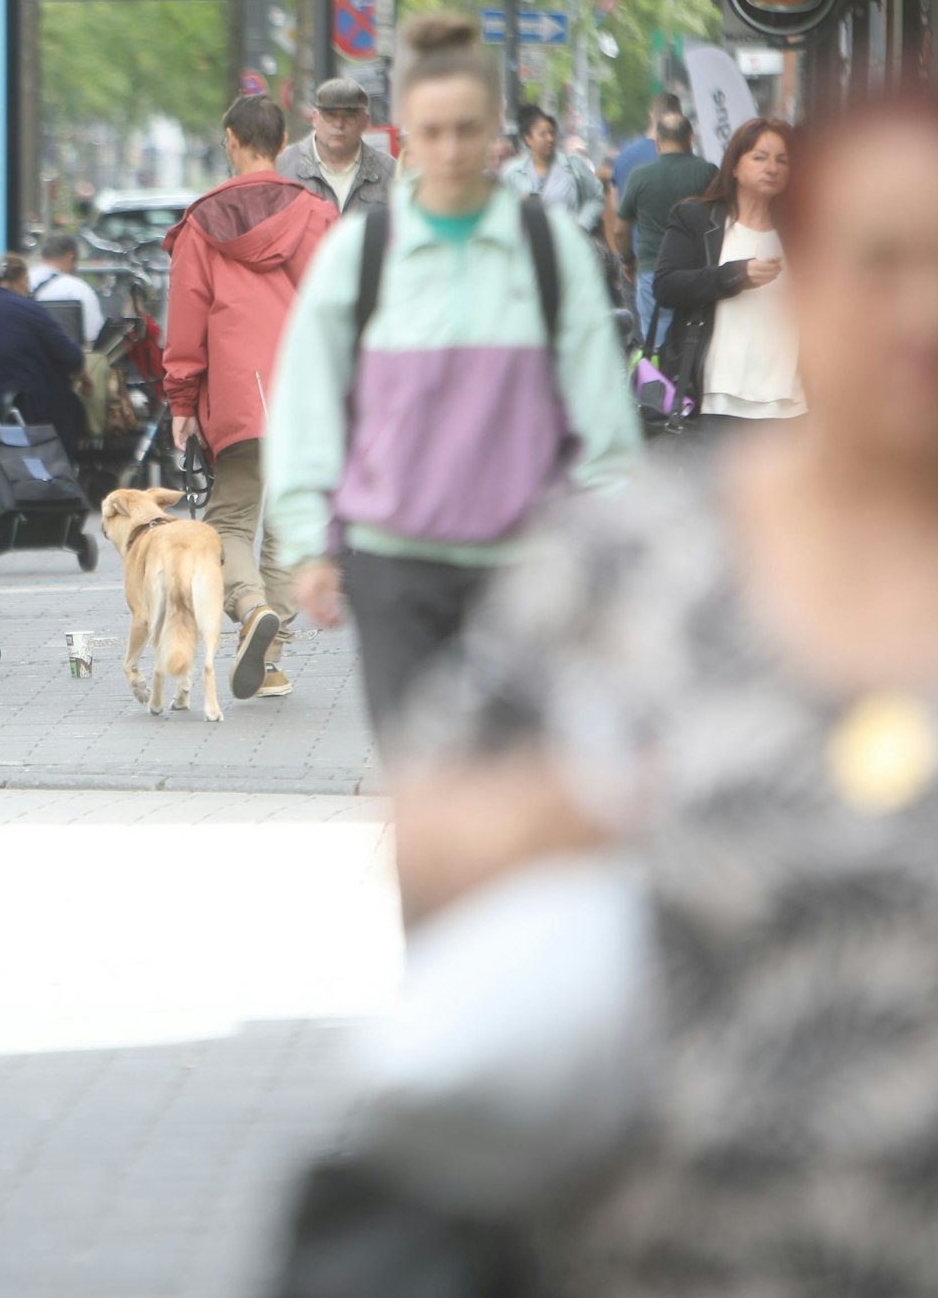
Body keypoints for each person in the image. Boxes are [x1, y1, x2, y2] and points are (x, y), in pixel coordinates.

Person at [388, 88, 938, 1295]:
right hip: (661, 1250)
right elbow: (426, 835)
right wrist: (553, 823)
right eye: (880, 259)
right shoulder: (628, 563)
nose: (921, 309)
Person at [267, 14, 641, 749]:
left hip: (528, 569)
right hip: (393, 563)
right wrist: (309, 545)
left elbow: (601, 414)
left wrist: (612, 551)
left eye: (467, 130)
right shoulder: (362, 254)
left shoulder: (547, 250)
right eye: (431, 132)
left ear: (495, 129)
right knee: (423, 788)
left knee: (520, 788)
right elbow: (308, 404)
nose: (449, 149)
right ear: (403, 131)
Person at [163, 94, 336, 701]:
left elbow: (187, 316)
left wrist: (181, 399)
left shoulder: (201, 223)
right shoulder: (315, 216)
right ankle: (269, 658)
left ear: (232, 139)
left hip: (237, 394)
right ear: (283, 141)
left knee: (228, 521)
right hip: (304, 393)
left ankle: (248, 606)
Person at [652, 116, 801, 432]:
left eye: (782, 160)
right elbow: (666, 287)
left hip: (790, 405)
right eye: (759, 158)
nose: (772, 168)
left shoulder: (805, 232)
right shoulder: (695, 218)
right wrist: (734, 275)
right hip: (714, 399)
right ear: (734, 165)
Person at [0, 252, 87, 460]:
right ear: (22, 280)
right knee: (67, 401)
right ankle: (59, 475)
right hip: (19, 404)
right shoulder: (28, 308)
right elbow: (71, 357)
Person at [615, 111, 717, 352]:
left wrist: (628, 261)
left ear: (657, 143)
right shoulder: (708, 173)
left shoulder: (640, 176)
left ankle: (661, 388)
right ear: (690, 138)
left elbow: (620, 229)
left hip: (652, 271)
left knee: (657, 346)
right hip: (697, 273)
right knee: (697, 343)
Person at [277, 77, 397, 214]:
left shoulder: (389, 172)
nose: (339, 124)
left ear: (365, 120)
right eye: (330, 115)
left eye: (349, 116)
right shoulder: (282, 169)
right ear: (315, 118)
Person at [500, 103, 605, 236]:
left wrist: (581, 226)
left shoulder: (573, 165)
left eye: (551, 133)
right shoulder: (512, 172)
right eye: (543, 134)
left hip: (569, 245)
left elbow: (596, 198)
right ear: (528, 138)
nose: (549, 139)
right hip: (528, 247)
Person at [28, 230, 105, 344]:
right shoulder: (79, 290)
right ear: (70, 256)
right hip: (64, 359)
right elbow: (94, 335)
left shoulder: (22, 282)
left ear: (42, 255)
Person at [609, 91, 684, 201]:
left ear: (651, 114)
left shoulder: (623, 157)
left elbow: (615, 202)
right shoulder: (681, 159)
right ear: (679, 118)